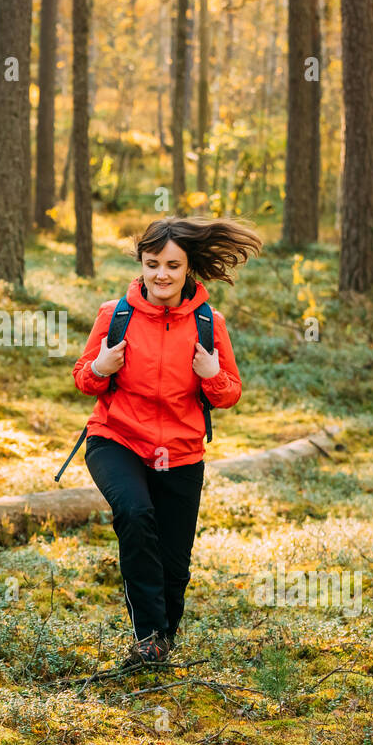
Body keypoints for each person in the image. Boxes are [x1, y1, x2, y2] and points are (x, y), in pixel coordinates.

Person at [72, 216, 263, 667]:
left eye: (172, 266)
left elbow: (231, 391)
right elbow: (84, 380)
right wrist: (101, 366)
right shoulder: (113, 315)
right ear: (141, 263)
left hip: (180, 452)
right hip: (116, 439)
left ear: (188, 268)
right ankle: (147, 638)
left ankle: (162, 641)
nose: (161, 274)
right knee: (136, 516)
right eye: (152, 263)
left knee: (175, 563)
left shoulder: (207, 322)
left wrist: (212, 376)